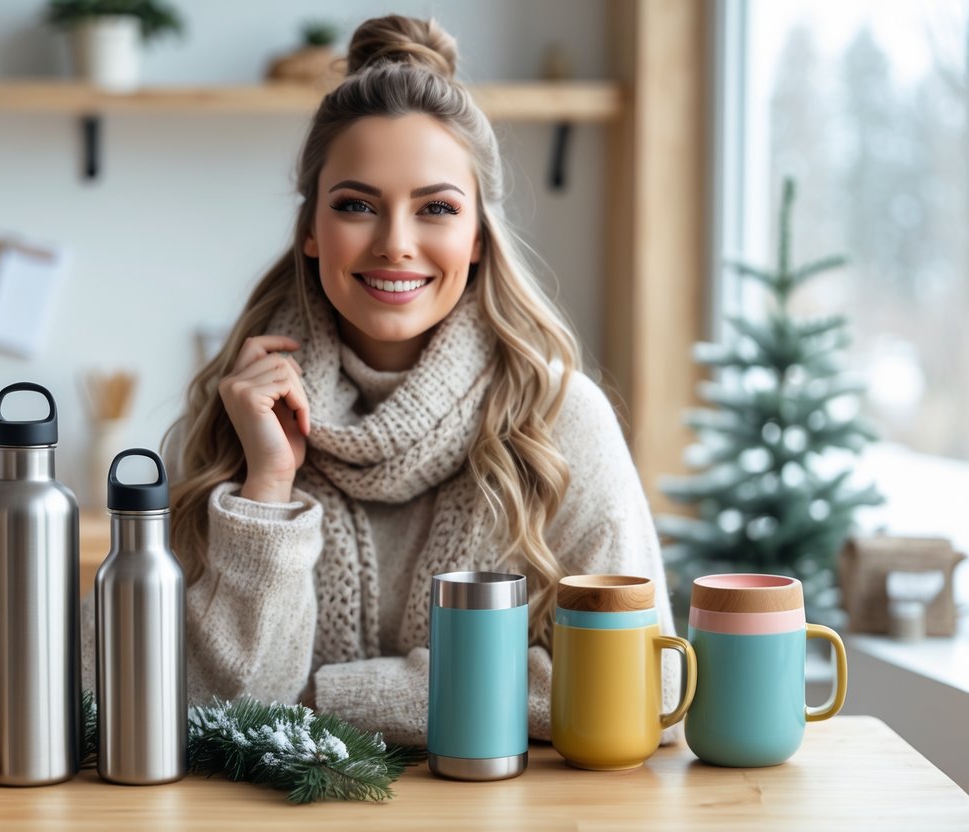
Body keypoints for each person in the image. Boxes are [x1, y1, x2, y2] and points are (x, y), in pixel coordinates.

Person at [82, 14, 677, 747]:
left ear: (477, 237)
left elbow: (647, 682)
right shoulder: (235, 423)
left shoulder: (555, 418)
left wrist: (330, 698)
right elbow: (178, 701)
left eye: (436, 209)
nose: (395, 244)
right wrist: (268, 488)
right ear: (310, 229)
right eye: (356, 206)